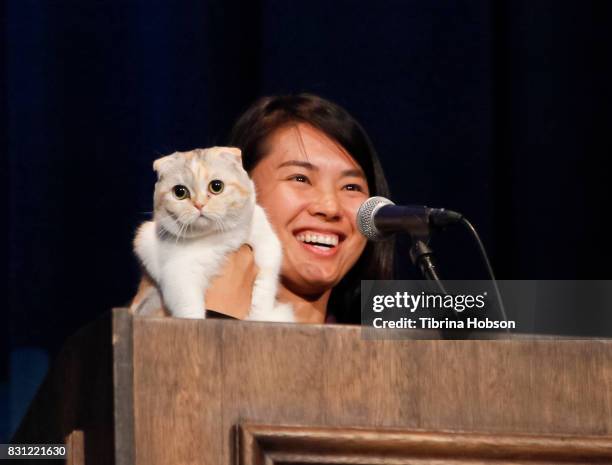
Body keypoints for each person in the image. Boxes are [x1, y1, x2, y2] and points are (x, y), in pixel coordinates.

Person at [131, 93, 394, 323]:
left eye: (351, 187)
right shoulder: (160, 324)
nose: (330, 207)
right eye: (300, 178)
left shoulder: (393, 349)